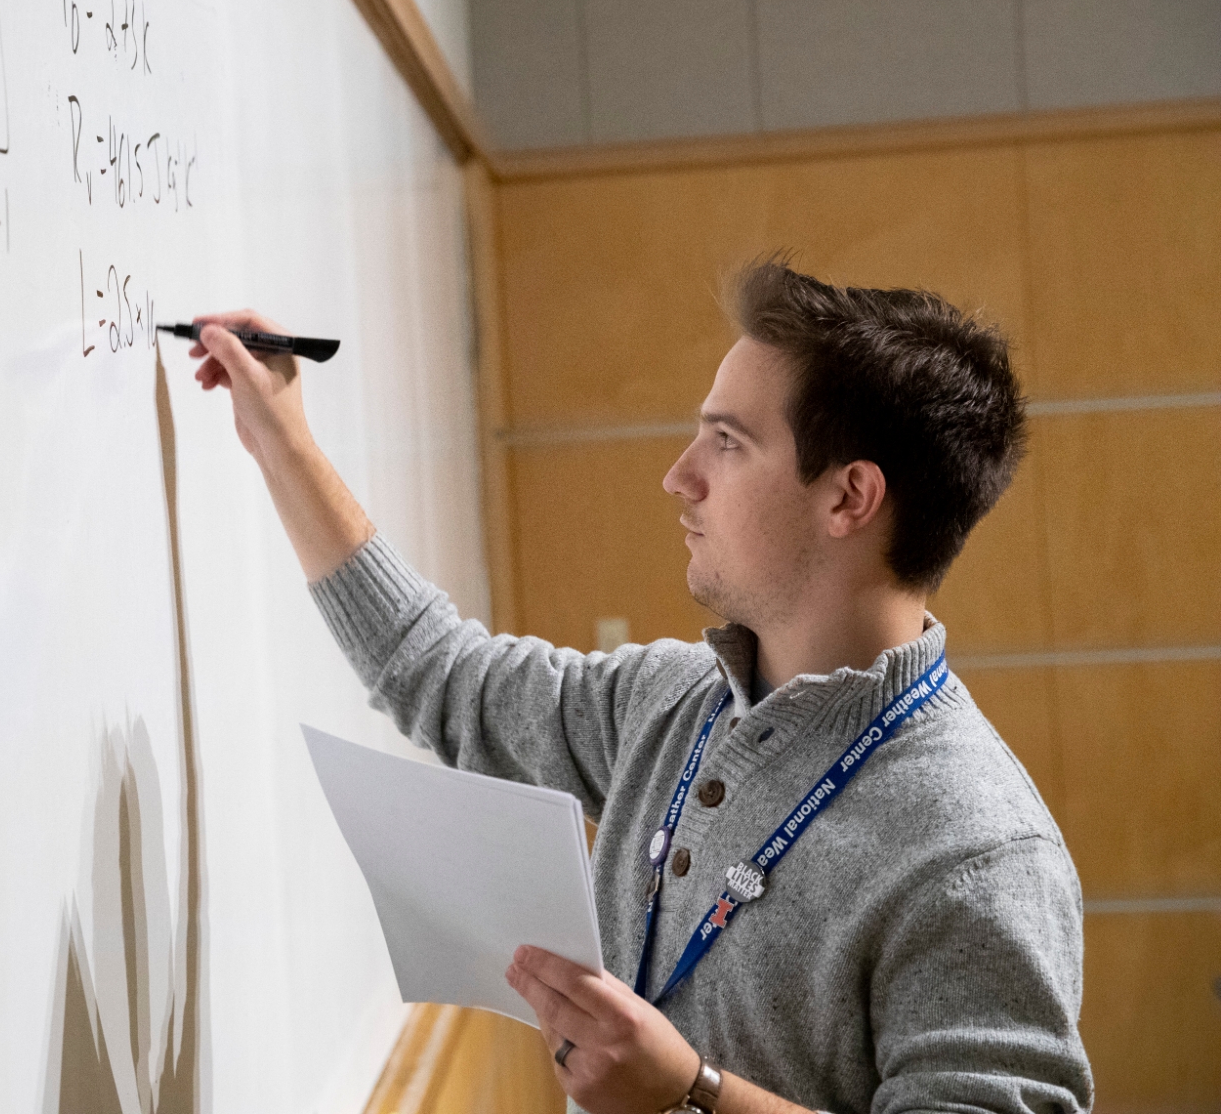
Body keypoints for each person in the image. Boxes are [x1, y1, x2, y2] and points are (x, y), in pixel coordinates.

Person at [182, 259, 1090, 1114]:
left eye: (727, 442)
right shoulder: (672, 700)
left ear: (849, 497)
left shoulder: (978, 851)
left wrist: (694, 1089)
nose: (679, 476)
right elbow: (441, 673)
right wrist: (282, 440)